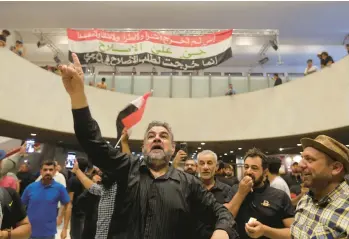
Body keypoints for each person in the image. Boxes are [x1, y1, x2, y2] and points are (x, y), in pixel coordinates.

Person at [58, 53, 238, 239]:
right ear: (144, 146)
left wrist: (222, 231)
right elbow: (92, 142)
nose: (157, 139)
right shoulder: (126, 168)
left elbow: (221, 213)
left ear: (173, 147)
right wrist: (78, 95)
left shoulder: (189, 184)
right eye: (151, 136)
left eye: (163, 136)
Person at [225, 148, 295, 239]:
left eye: (254, 168)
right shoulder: (235, 190)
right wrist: (241, 193)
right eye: (246, 167)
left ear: (265, 172)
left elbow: (293, 232)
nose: (248, 171)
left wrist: (265, 231)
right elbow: (226, 218)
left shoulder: (279, 196)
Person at [291, 135, 349, 238]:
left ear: (335, 168)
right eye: (302, 158)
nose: (300, 165)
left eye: (309, 159)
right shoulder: (305, 200)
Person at [21, 160, 70, 239]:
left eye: (51, 170)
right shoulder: (31, 187)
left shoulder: (59, 188)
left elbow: (68, 205)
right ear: (41, 171)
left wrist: (64, 228)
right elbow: (21, 205)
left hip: (48, 233)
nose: (48, 172)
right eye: (45, 170)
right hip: (28, 231)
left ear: (54, 172)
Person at [195, 150, 235, 239]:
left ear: (216, 166)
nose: (205, 167)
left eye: (209, 163)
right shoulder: (189, 188)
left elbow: (230, 216)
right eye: (202, 163)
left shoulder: (227, 189)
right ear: (197, 167)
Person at [64, 157, 89, 239]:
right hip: (87, 213)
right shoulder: (88, 179)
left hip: (76, 213)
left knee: (75, 235)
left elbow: (69, 201)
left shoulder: (73, 180)